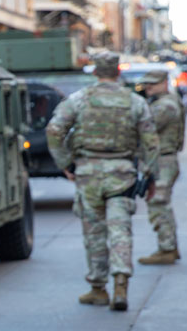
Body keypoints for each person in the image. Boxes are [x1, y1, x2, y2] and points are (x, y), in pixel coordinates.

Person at [45, 52, 159, 311]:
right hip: (122, 174)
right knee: (120, 230)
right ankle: (121, 284)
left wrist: (66, 163)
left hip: (88, 175)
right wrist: (150, 175)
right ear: (118, 72)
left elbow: (54, 130)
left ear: (95, 72)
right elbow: (151, 141)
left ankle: (98, 288)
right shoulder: (135, 102)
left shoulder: (79, 99)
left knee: (94, 232)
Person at [135, 70, 185, 265]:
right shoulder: (165, 102)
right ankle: (169, 246)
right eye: (146, 85)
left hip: (163, 160)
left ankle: (167, 248)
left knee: (158, 204)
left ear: (164, 83)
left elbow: (144, 127)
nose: (148, 88)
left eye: (152, 84)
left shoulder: (165, 106)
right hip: (161, 160)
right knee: (161, 204)